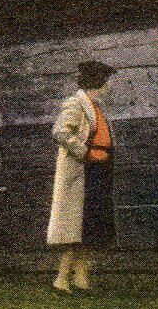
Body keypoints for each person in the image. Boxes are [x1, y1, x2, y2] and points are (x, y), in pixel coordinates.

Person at [46, 59, 117, 292]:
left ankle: (81, 278)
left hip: (97, 170)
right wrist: (85, 152)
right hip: (82, 171)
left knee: (90, 226)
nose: (108, 86)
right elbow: (60, 132)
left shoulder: (94, 106)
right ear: (97, 82)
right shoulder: (76, 104)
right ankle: (61, 278)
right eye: (106, 82)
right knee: (77, 227)